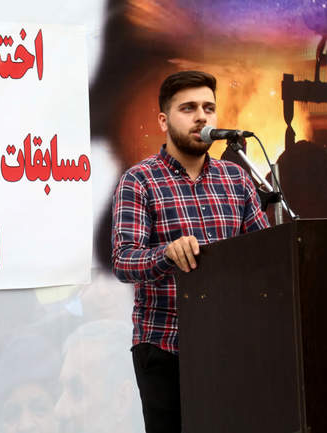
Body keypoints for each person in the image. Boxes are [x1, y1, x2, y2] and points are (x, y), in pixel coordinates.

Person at [111, 70, 270, 433]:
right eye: (189, 108)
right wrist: (166, 254)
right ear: (163, 121)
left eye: (208, 108)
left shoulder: (237, 178)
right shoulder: (139, 180)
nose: (202, 116)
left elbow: (265, 253)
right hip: (165, 347)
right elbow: (123, 260)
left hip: (231, 344)